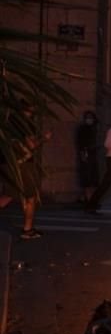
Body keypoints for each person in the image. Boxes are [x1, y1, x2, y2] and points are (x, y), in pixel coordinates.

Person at [10, 99, 52, 239]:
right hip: (23, 163)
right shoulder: (25, 124)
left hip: (10, 162)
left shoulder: (10, 122)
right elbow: (31, 145)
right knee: (30, 197)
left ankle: (28, 229)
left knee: (9, 194)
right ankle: (27, 230)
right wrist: (44, 139)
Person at [76, 110, 100, 203]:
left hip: (92, 156)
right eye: (87, 117)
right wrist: (83, 154)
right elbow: (80, 144)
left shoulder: (94, 129)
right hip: (86, 155)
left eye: (91, 117)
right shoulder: (82, 129)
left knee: (93, 178)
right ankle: (88, 199)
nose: (89, 119)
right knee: (87, 178)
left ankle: (90, 199)